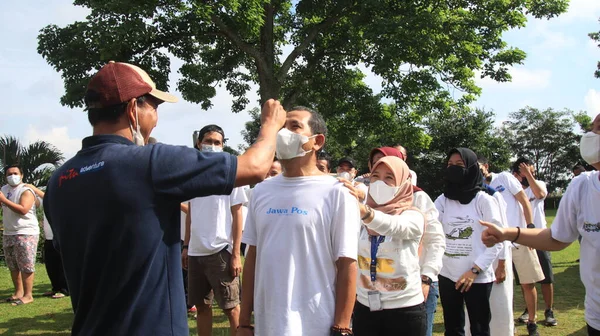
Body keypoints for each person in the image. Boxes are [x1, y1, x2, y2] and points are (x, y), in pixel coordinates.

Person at [43, 61, 285, 336]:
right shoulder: (151, 163)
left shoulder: (59, 181)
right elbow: (254, 167)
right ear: (133, 109)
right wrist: (270, 125)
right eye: (154, 106)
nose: (156, 116)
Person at [238, 106, 359, 336]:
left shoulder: (338, 193)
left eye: (295, 126)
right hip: (268, 324)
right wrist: (244, 322)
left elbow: (347, 264)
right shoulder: (261, 191)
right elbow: (252, 256)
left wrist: (342, 326)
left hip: (316, 324)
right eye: (282, 127)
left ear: (317, 141)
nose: (285, 133)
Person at [481, 114, 600, 336]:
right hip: (596, 314)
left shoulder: (525, 182)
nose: (592, 135)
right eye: (593, 128)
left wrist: (527, 223)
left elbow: (536, 196)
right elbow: (556, 238)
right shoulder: (581, 186)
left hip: (529, 236)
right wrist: (507, 233)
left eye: (598, 128)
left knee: (539, 279)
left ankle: (544, 313)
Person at [342, 156, 426, 336]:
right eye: (375, 177)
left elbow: (393, 226)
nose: (380, 183)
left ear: (403, 184)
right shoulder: (359, 216)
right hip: (365, 308)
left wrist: (365, 212)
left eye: (389, 178)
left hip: (405, 310)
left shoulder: (413, 216)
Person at [368, 146, 445, 336]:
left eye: (389, 172)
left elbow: (435, 240)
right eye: (375, 165)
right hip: (374, 291)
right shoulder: (369, 200)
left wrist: (427, 277)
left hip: (413, 287)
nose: (380, 179)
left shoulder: (417, 198)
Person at [182, 124, 248, 336]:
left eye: (217, 142)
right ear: (199, 143)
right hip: (195, 252)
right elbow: (191, 212)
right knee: (202, 307)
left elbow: (238, 214)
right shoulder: (192, 174)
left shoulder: (232, 173)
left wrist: (236, 254)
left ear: (223, 145)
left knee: (231, 308)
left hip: (221, 251)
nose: (212, 146)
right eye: (208, 141)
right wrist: (186, 245)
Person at [434, 148, 503, 336]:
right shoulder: (442, 201)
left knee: (480, 328)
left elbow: (498, 240)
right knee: (453, 328)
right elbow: (430, 230)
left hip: (477, 277)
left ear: (472, 168)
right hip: (448, 275)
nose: (453, 169)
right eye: (449, 165)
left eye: (459, 165)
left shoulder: (484, 201)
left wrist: (474, 270)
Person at [478, 155, 543, 336]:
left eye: (479, 167)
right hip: (497, 242)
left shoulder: (504, 177)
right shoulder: (476, 187)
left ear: (486, 166)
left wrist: (529, 229)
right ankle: (508, 323)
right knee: (502, 285)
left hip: (519, 236)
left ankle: (532, 321)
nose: (478, 170)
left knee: (527, 283)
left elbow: (524, 201)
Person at [513, 157, 558, 326]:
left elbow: (540, 194)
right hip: (522, 239)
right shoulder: (514, 189)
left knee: (546, 277)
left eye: (530, 171)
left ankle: (549, 310)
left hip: (540, 237)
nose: (527, 174)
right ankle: (528, 309)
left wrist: (529, 175)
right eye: (523, 171)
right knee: (527, 280)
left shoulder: (538, 184)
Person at [0, 165, 39, 306]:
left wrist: (4, 200)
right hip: (8, 232)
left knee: (26, 265)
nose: (12, 176)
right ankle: (18, 292)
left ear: (21, 175)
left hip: (26, 232)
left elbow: (23, 210)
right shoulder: (3, 190)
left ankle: (28, 295)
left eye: (15, 173)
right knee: (13, 265)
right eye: (9, 174)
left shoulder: (26, 190)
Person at [27, 184, 69, 299]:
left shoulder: (59, 197)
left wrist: (35, 189)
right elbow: (37, 203)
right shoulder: (46, 200)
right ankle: (55, 288)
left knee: (61, 265)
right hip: (48, 237)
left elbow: (48, 198)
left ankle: (65, 289)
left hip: (60, 237)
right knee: (51, 265)